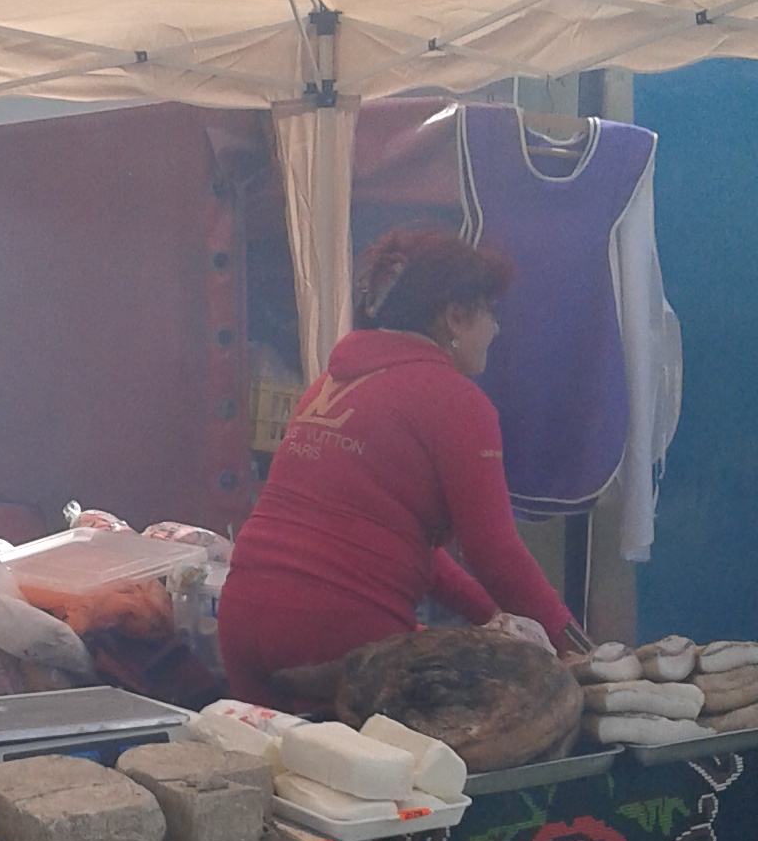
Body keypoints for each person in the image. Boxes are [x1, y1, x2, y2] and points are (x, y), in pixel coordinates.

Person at [218, 227, 584, 704]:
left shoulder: (328, 384)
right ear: (455, 316)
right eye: (491, 313)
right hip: (342, 635)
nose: (496, 330)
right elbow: (494, 552)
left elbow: (396, 543)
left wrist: (491, 615)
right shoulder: (457, 401)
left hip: (240, 621)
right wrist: (577, 649)